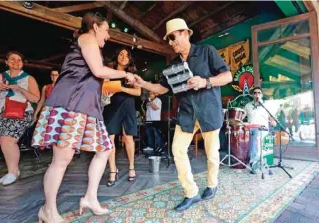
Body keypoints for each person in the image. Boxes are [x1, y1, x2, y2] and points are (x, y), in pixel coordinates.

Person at [31, 13, 135, 222]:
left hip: (87, 108)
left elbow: (92, 75)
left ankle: (90, 198)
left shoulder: (92, 46)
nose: (107, 36)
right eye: (106, 30)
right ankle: (48, 210)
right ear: (95, 27)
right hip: (70, 104)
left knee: (104, 150)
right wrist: (124, 75)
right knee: (62, 159)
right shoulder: (87, 38)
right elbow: (98, 70)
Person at [134, 18, 232, 211]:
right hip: (187, 113)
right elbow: (162, 88)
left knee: (212, 155)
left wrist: (205, 82)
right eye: (168, 39)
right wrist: (142, 83)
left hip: (208, 111)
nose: (170, 42)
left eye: (173, 37)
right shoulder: (172, 66)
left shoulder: (207, 51)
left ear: (186, 33)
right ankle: (191, 192)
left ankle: (212, 185)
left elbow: (227, 76)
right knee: (177, 150)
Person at [0, 51, 40, 186]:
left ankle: (12, 172)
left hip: (20, 112)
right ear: (6, 62)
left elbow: (36, 98)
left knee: (8, 140)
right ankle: (13, 171)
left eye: (19, 60)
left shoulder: (28, 78)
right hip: (0, 112)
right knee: (3, 142)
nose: (16, 62)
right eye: (12, 59)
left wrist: (20, 89)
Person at [103, 48, 141, 187]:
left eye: (126, 55)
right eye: (121, 54)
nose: (123, 56)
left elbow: (138, 92)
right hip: (111, 105)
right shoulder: (109, 71)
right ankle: (113, 170)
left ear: (130, 59)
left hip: (128, 104)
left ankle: (131, 167)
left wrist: (121, 88)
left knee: (128, 136)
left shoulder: (133, 75)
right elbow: (103, 87)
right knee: (110, 137)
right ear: (117, 56)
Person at [243, 87, 276, 174]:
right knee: (254, 140)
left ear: (261, 95)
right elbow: (241, 117)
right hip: (251, 129)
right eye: (255, 93)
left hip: (263, 128)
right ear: (252, 95)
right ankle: (254, 164)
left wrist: (272, 121)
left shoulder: (266, 105)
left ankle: (258, 164)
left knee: (257, 142)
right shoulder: (247, 106)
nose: (257, 94)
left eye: (259, 92)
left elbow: (271, 117)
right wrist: (243, 123)